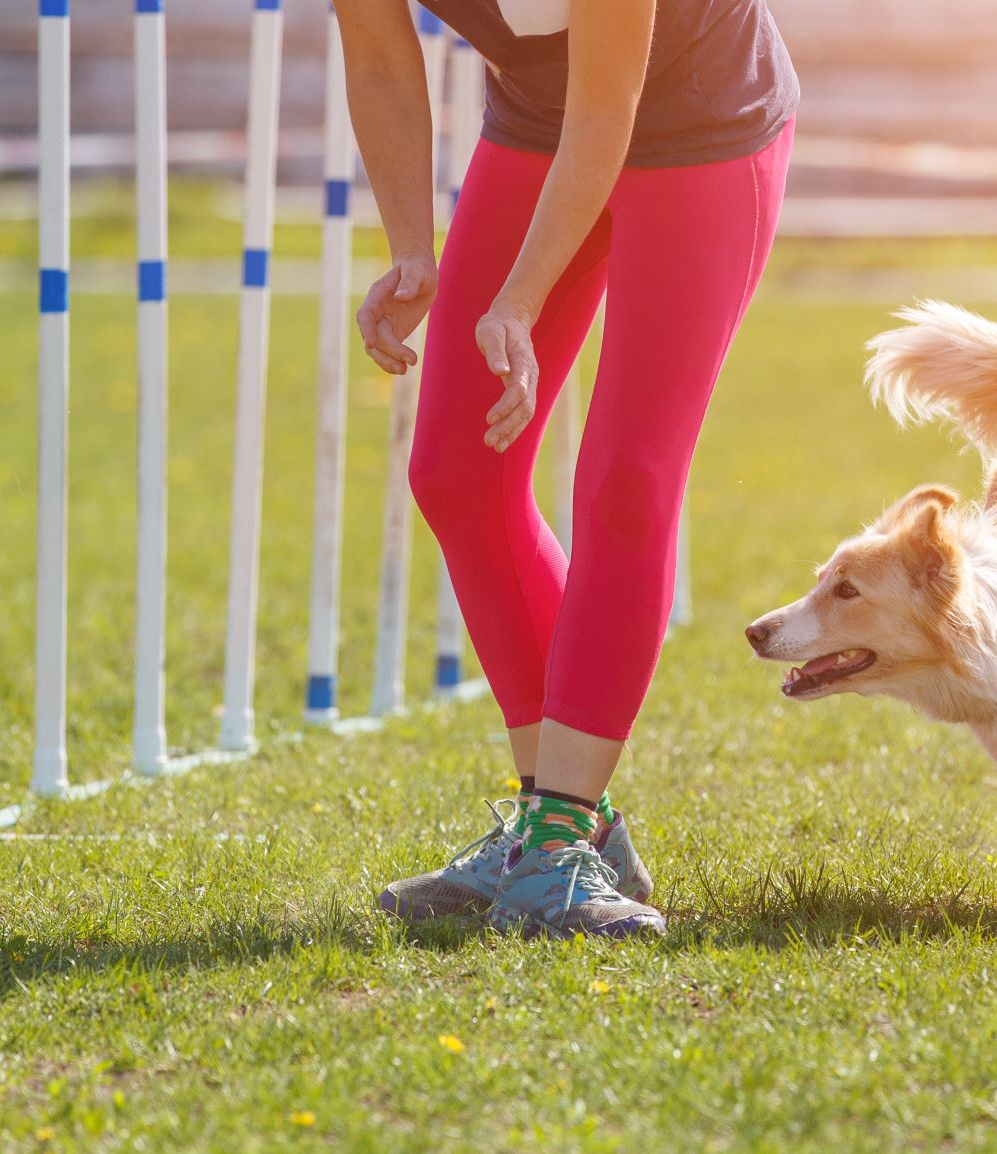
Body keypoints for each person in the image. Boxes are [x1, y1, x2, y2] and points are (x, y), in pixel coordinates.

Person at [337, 0, 797, 938]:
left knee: (628, 477)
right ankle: (558, 829)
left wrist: (518, 298)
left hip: (701, 125)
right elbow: (382, 60)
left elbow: (608, 107)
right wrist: (414, 253)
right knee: (458, 475)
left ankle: (557, 838)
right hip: (543, 124)